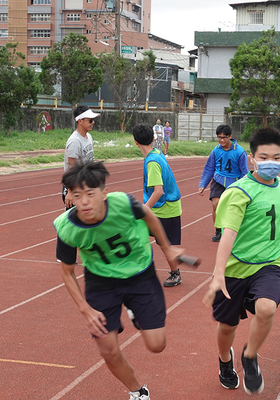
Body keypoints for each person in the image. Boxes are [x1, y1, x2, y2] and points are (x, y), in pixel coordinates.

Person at [54, 161, 182, 400]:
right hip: (102, 283)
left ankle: (136, 313)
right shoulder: (67, 227)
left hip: (139, 275)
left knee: (157, 345)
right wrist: (85, 309)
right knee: (108, 350)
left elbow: (149, 215)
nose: (84, 201)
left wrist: (167, 248)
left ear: (104, 193)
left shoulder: (124, 203)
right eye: (77, 195)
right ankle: (138, 392)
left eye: (90, 194)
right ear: (69, 195)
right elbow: (67, 272)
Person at [202, 127, 280, 394]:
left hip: (269, 264)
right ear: (252, 158)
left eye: (277, 158)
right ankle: (225, 360)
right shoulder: (240, 192)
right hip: (235, 270)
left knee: (266, 309)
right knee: (227, 327)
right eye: (264, 157)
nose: (271, 163)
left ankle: (249, 356)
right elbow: (228, 234)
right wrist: (218, 273)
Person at [132, 124, 183, 287]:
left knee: (165, 245)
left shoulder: (152, 162)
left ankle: (175, 274)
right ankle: (137, 271)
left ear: (135, 142)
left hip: (165, 208)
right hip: (163, 207)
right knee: (137, 235)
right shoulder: (157, 153)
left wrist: (144, 208)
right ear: (154, 139)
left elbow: (158, 191)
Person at [198, 125, 248, 242]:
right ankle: (218, 231)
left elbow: (244, 172)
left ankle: (233, 230)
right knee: (216, 204)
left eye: (224, 138)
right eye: (219, 137)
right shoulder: (216, 150)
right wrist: (203, 184)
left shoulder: (240, 152)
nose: (221, 140)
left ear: (230, 136)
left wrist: (241, 188)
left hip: (234, 183)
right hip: (218, 180)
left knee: (232, 209)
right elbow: (209, 168)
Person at [62, 105, 99, 209]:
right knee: (75, 223)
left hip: (86, 186)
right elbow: (71, 170)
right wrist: (70, 192)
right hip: (76, 189)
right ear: (80, 121)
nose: (93, 123)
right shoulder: (75, 141)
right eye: (90, 120)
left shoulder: (89, 137)